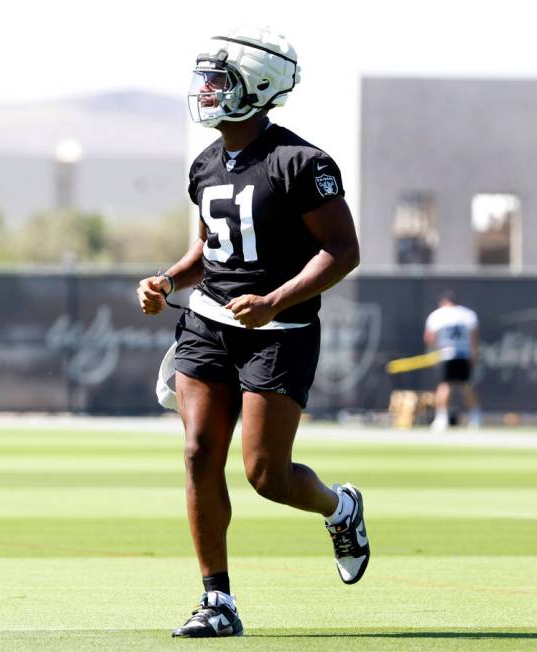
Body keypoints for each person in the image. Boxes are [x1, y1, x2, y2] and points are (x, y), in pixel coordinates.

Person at [136, 25, 367, 638]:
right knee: (197, 455)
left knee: (266, 475)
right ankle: (218, 602)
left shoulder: (303, 162)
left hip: (280, 330)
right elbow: (211, 248)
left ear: (257, 87)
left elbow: (342, 251)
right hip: (209, 324)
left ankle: (340, 508)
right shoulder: (206, 162)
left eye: (220, 81)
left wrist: (276, 300)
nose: (207, 92)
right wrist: (167, 279)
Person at [424, 291, 481, 430]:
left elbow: (429, 337)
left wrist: (434, 351)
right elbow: (474, 337)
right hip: (463, 354)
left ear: (443, 302)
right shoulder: (467, 314)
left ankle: (441, 419)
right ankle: (475, 417)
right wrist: (474, 353)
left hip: (446, 354)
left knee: (445, 386)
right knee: (466, 386)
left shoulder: (437, 315)